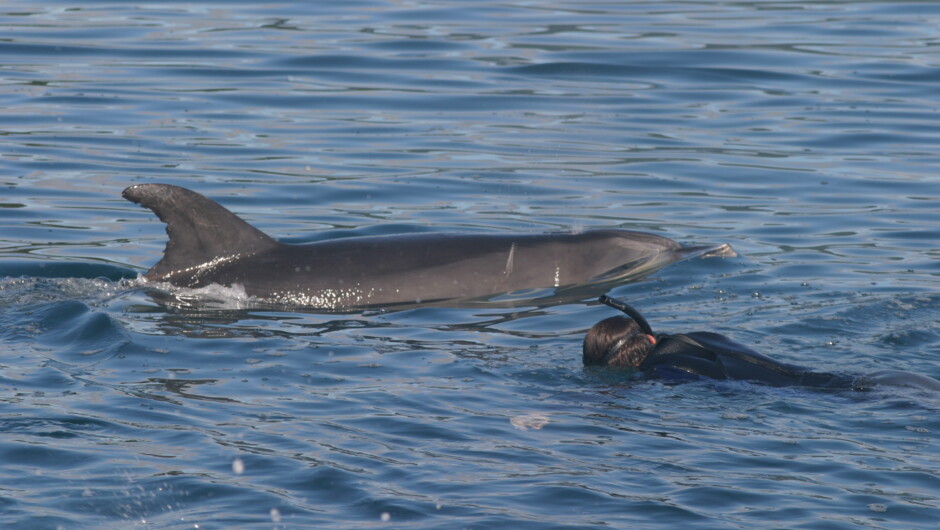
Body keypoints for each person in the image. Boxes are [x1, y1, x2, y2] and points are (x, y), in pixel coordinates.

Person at [584, 295, 940, 391]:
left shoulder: (667, 371)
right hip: (886, 377)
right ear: (649, 337)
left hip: (858, 398)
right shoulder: (696, 340)